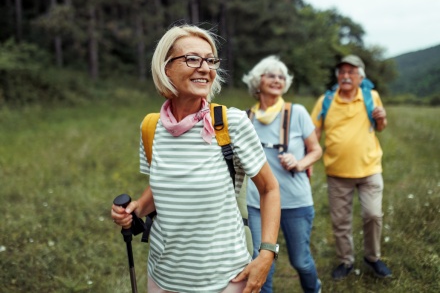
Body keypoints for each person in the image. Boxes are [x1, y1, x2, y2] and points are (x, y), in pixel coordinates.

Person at [111, 24, 281, 293]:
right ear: (166, 68)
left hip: (224, 279)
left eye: (210, 60)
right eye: (192, 58)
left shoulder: (231, 123)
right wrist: (135, 208)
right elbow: (162, 186)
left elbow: (270, 189)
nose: (205, 68)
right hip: (162, 276)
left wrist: (267, 254)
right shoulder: (151, 127)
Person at [242, 55, 322, 293]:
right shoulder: (246, 119)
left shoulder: (296, 112)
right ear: (258, 81)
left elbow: (316, 150)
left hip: (295, 202)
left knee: (301, 261)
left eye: (281, 76)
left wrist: (299, 163)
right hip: (258, 204)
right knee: (261, 263)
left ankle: (314, 289)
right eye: (271, 75)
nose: (277, 80)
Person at [310, 55, 392, 280]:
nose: (346, 76)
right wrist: (308, 161)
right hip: (337, 172)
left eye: (351, 72)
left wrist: (382, 118)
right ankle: (346, 261)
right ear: (338, 76)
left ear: (360, 76)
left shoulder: (371, 96)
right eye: (342, 72)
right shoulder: (325, 100)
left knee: (373, 215)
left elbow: (381, 126)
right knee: (340, 221)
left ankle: (372, 257)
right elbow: (314, 133)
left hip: (370, 169)